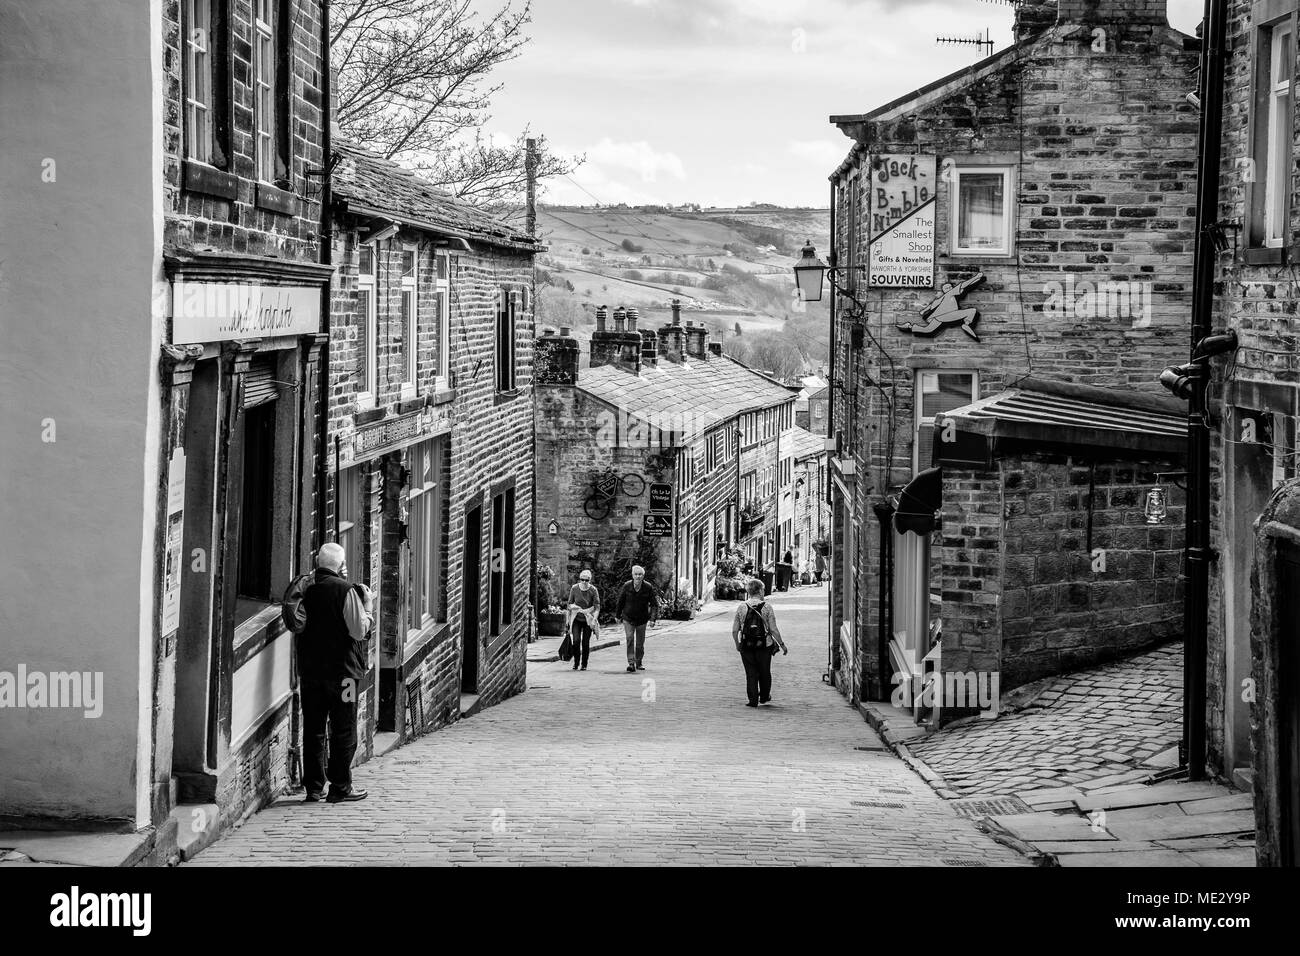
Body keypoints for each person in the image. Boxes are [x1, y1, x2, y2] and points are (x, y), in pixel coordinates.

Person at [298, 542, 373, 803]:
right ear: (341, 567)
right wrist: (369, 608)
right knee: (344, 728)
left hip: (311, 673)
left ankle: (314, 787)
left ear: (318, 562)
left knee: (314, 728)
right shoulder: (346, 590)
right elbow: (358, 631)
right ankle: (340, 786)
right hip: (344, 674)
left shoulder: (305, 588)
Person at [732, 579, 787, 707]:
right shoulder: (767, 607)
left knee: (750, 672)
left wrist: (737, 644)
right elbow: (773, 629)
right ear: (761, 590)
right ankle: (764, 696)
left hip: (746, 644)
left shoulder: (741, 607)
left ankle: (752, 700)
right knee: (764, 671)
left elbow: (735, 630)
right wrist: (782, 644)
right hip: (764, 645)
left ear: (749, 591)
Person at [615, 565, 660, 673]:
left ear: (643, 576)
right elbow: (620, 601)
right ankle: (631, 663)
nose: (638, 576)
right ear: (632, 575)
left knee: (640, 644)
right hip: (628, 618)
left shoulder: (648, 587)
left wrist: (653, 619)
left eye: (640, 574)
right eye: (636, 574)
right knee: (630, 638)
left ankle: (639, 661)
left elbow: (654, 605)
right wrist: (617, 615)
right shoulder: (627, 586)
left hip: (642, 619)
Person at [566, 569, 601, 671]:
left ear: (590, 580)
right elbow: (569, 604)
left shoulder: (593, 590)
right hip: (577, 618)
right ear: (580, 579)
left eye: (587, 580)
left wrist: (594, 619)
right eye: (582, 580)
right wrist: (574, 609)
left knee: (585, 642)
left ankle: (584, 664)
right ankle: (576, 663)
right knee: (576, 641)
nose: (584, 582)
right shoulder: (574, 588)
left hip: (588, 618)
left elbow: (597, 606)